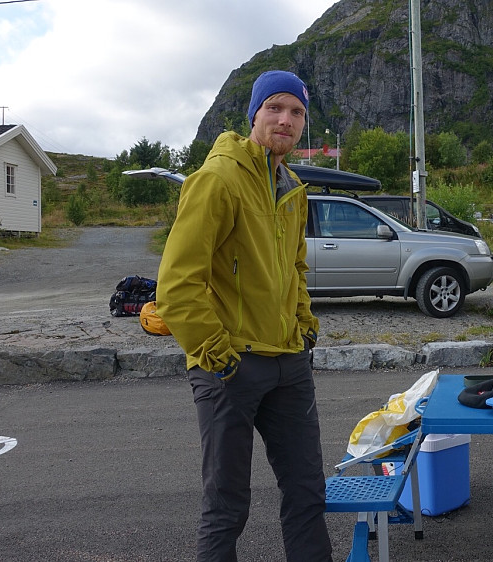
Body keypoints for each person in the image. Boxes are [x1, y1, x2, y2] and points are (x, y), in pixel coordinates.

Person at [157, 70, 331, 562]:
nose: (286, 119)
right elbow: (176, 284)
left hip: (289, 362)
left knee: (307, 493)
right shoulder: (216, 180)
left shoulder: (291, 187)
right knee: (227, 503)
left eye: (296, 112)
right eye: (275, 107)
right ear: (254, 113)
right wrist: (217, 354)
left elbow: (296, 267)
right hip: (230, 365)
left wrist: (304, 325)